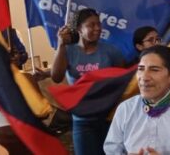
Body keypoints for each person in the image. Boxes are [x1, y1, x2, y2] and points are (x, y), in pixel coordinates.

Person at [51, 8, 125, 155]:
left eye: (99, 24)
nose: (97, 28)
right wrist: (60, 46)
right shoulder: (68, 51)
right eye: (91, 25)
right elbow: (56, 77)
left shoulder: (111, 51)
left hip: (109, 118)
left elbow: (123, 80)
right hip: (82, 120)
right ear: (79, 28)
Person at [104, 45, 170, 155]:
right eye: (140, 69)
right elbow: (111, 150)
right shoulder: (126, 108)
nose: (144, 77)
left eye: (154, 70)